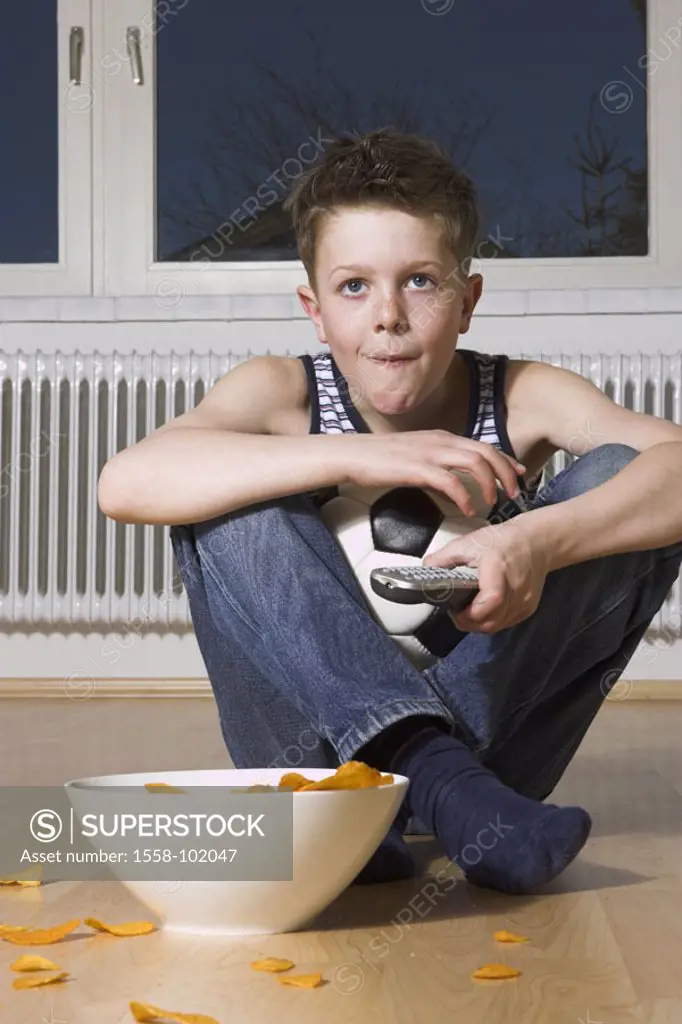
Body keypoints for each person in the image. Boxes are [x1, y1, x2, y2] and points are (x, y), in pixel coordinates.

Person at [98, 128, 682, 894]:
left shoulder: (520, 395)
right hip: (309, 763)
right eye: (353, 287)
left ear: (467, 301)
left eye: (419, 281)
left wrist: (537, 541)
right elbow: (126, 483)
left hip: (494, 761)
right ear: (314, 309)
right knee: (229, 494)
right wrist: (356, 456)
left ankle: (398, 800)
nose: (387, 316)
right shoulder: (283, 392)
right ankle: (420, 780)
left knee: (625, 476)